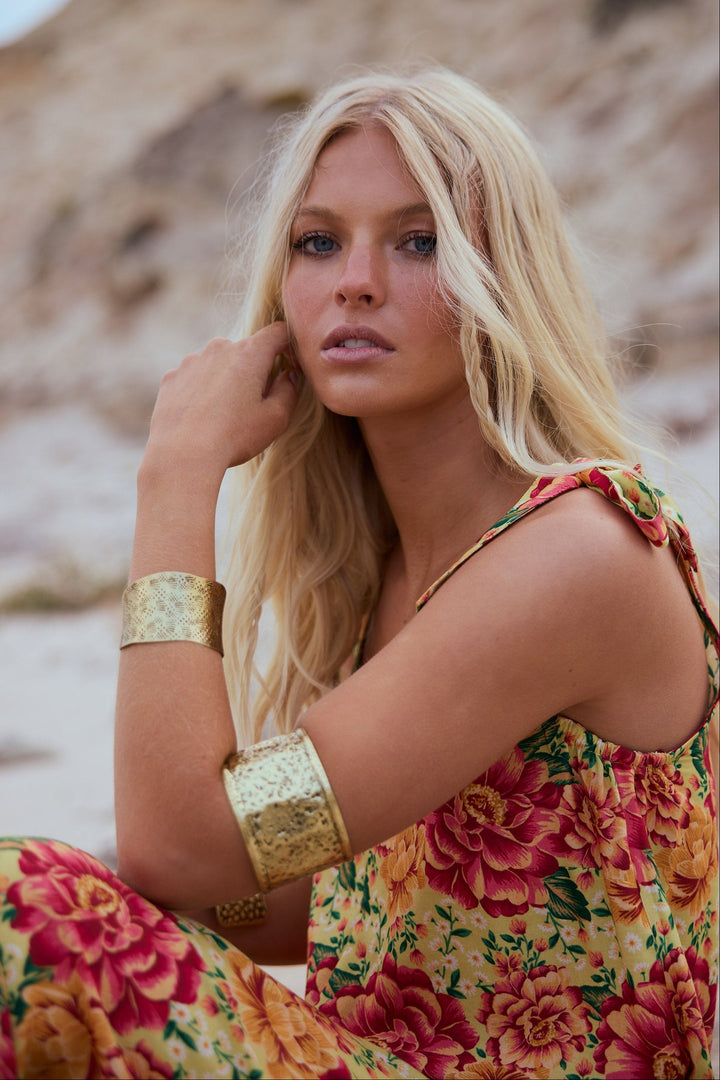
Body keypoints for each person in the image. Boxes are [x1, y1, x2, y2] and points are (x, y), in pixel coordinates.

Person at [0, 68, 717, 1080]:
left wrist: (175, 480)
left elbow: (184, 848)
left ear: (501, 276)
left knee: (20, 905)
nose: (357, 280)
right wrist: (209, 882)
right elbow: (302, 905)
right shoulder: (387, 577)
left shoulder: (575, 550)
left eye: (418, 241)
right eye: (318, 240)